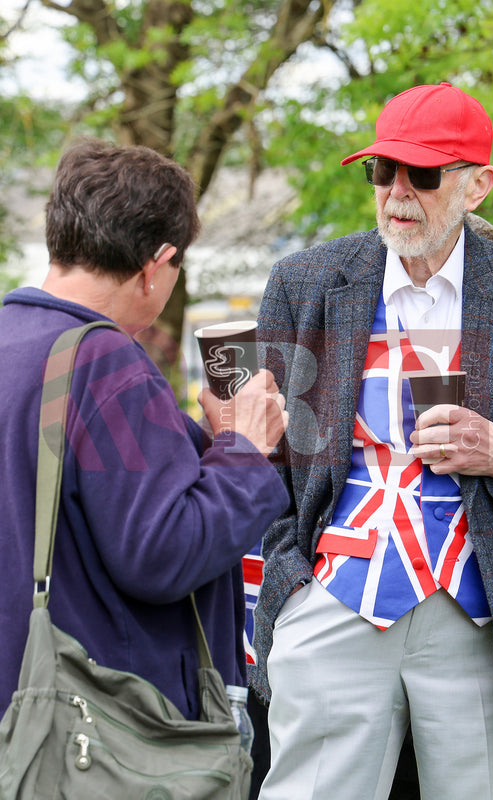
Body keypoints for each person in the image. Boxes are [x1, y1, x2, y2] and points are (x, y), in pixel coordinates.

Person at [251, 82, 493, 799]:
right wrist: (293, 594)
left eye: (423, 174)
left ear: (477, 185)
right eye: (383, 171)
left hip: (485, 615)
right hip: (336, 596)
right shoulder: (304, 282)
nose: (397, 193)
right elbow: (276, 462)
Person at [0, 137, 290, 723]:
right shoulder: (104, 362)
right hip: (103, 727)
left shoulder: (12, 340)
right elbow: (163, 551)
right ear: (156, 265)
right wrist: (246, 450)